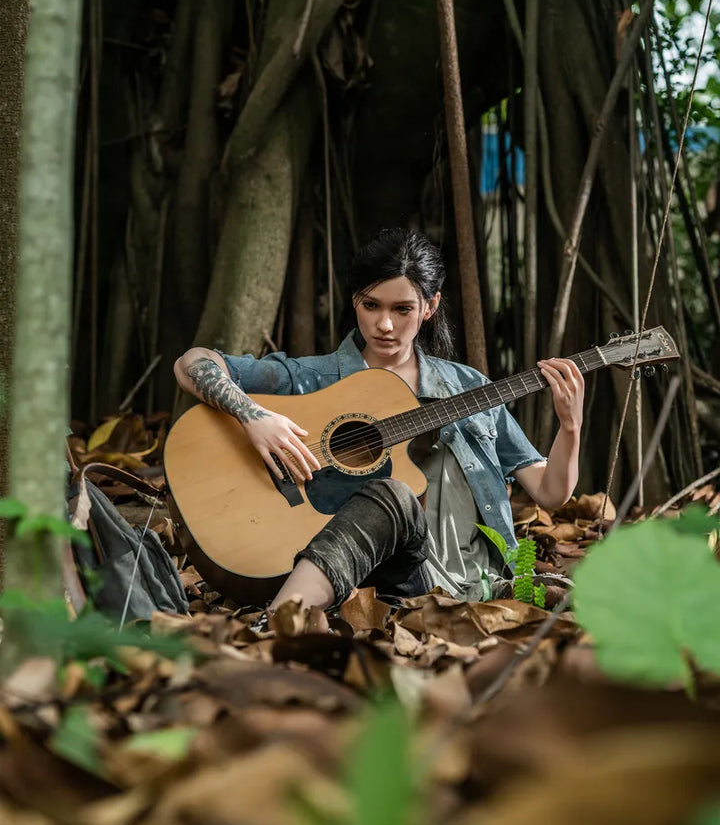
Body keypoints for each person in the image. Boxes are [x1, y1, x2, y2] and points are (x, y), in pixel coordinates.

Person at [174, 228, 584, 619]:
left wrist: (570, 427)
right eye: (371, 305)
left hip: (472, 587)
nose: (384, 324)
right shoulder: (312, 379)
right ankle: (279, 622)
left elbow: (550, 493)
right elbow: (192, 362)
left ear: (430, 306)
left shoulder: (469, 389)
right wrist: (254, 416)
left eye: (402, 309)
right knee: (394, 495)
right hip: (375, 583)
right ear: (355, 301)